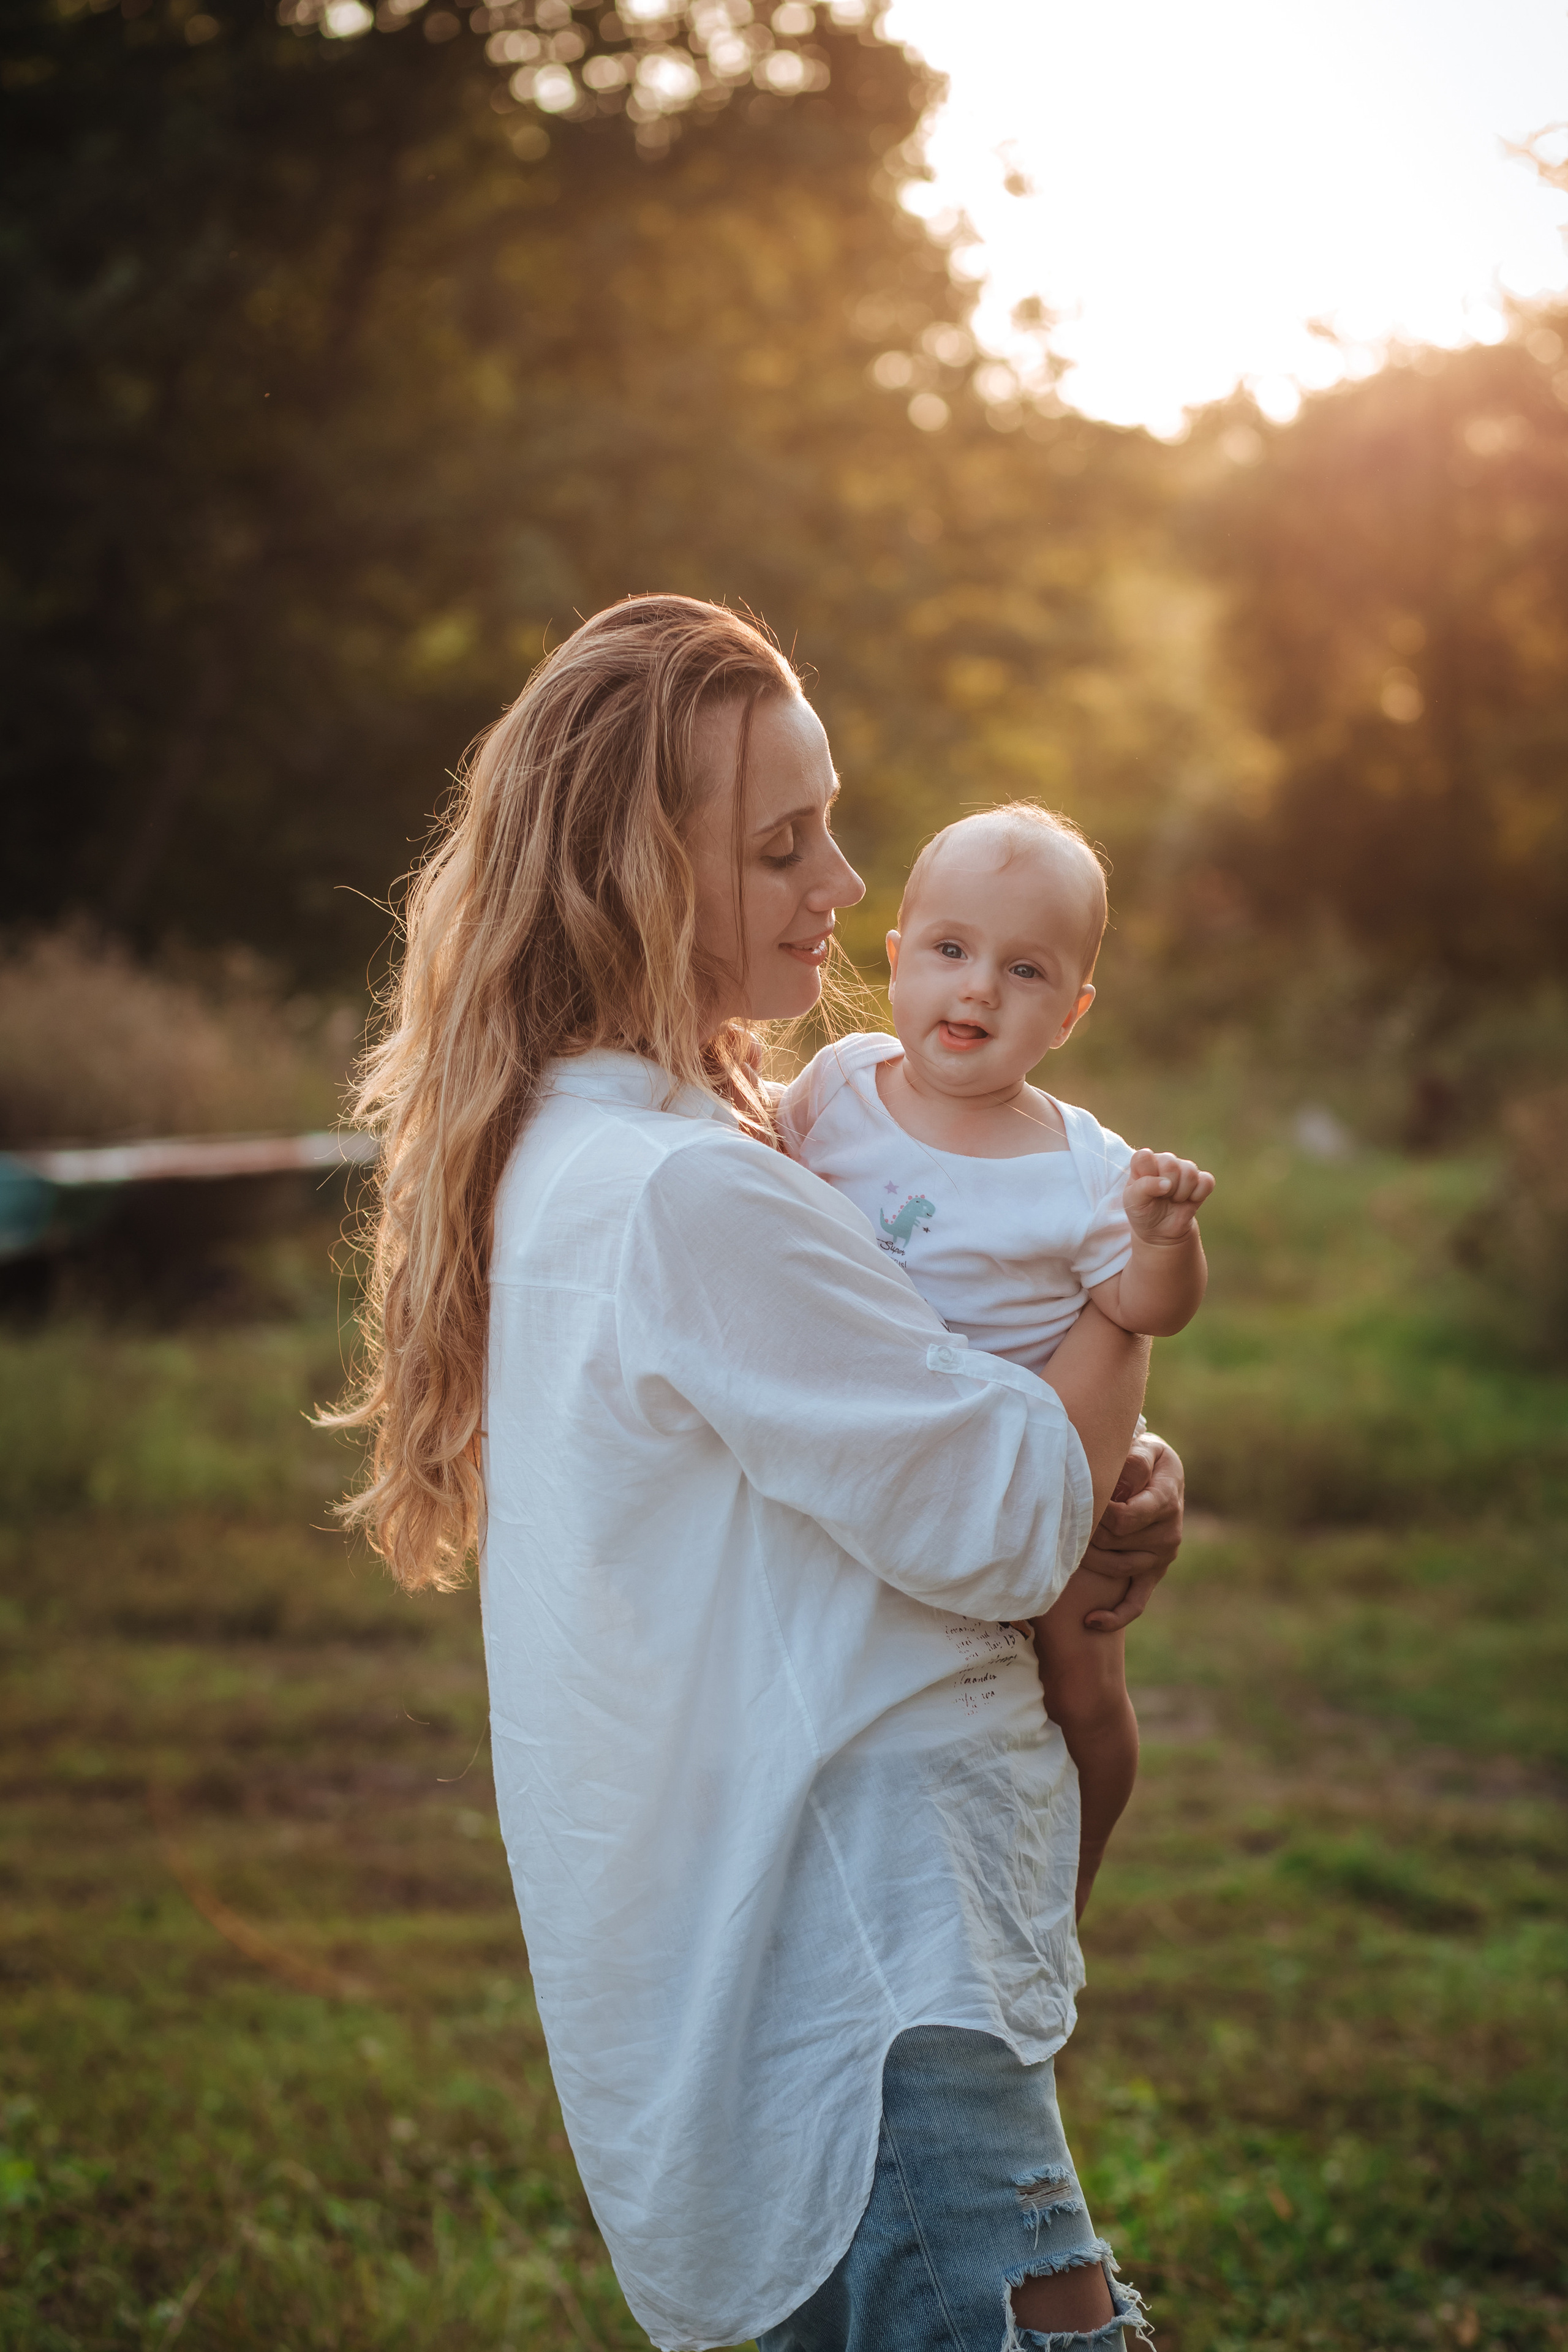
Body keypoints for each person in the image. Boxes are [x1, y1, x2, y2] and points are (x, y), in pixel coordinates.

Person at [330, 596, 1186, 2352]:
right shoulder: (687, 1191)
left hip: (772, 1945)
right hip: (855, 1959)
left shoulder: (590, 1147)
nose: (849, 887)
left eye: (833, 823)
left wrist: (1107, 1460)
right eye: (783, 845)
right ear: (642, 876)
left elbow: (881, 1432)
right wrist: (1121, 1324)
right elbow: (1016, 1518)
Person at [777, 804, 1214, 1918]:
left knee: (1082, 1681)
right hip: (883, 1456)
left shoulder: (1077, 1167)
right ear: (898, 956)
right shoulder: (834, 1088)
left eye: (1024, 972)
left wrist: (1165, 1239)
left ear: (1069, 1014)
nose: (977, 991)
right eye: (952, 952)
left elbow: (1142, 1311)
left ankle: (1073, 1880)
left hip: (1032, 1468)